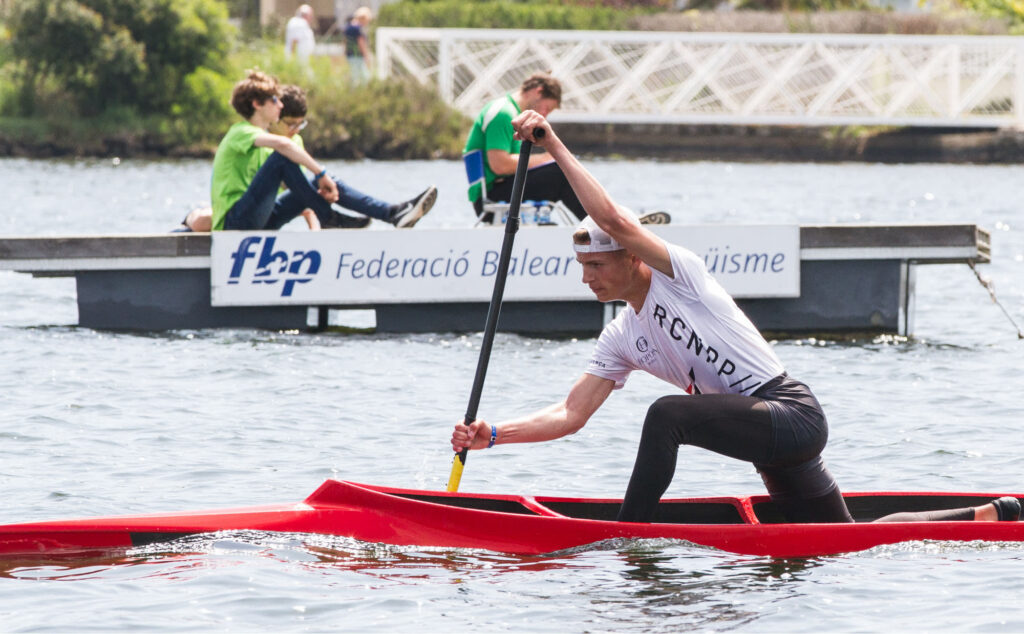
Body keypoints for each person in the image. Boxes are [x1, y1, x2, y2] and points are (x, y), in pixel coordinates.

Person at [451, 109, 1022, 526]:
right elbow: (570, 413)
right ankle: (997, 516)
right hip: (768, 446)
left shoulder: (683, 276)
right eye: (583, 267)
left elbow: (618, 221)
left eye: (597, 265)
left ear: (630, 257)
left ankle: (626, 539)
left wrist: (555, 144)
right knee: (848, 538)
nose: (588, 278)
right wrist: (493, 435)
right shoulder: (623, 335)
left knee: (665, 414)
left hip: (791, 414)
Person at [185, 80, 436, 232]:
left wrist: (316, 231)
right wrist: (321, 172)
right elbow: (284, 150)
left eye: (300, 125)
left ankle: (394, 213)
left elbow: (305, 195)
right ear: (271, 115)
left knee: (317, 182)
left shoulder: (290, 142)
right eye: (289, 123)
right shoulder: (244, 133)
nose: (295, 131)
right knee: (287, 159)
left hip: (264, 217)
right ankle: (332, 219)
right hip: (237, 222)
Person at [463, 72, 587, 224]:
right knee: (561, 170)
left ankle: (553, 225)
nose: (545, 115)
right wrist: (548, 158)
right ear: (538, 92)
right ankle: (600, 228)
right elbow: (499, 165)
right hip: (490, 198)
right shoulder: (503, 113)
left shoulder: (511, 112)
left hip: (501, 188)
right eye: (547, 108)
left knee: (563, 167)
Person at [344, 7, 373, 85]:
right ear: (363, 18)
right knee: (364, 77)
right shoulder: (358, 29)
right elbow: (361, 43)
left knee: (355, 75)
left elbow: (345, 41)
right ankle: (359, 94)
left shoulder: (348, 27)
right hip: (358, 55)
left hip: (350, 54)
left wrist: (345, 52)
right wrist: (366, 56)